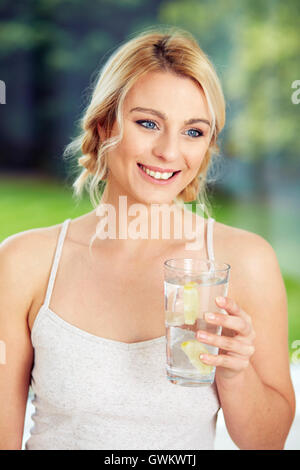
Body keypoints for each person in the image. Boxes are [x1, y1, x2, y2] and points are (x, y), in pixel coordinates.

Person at [0, 26, 295, 451]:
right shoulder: (24, 262)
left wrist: (235, 372)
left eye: (193, 132)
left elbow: (268, 442)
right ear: (104, 126)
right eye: (148, 123)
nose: (169, 152)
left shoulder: (243, 262)